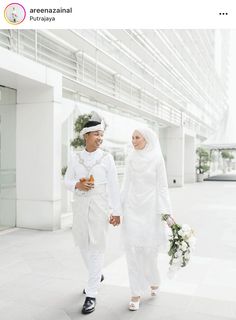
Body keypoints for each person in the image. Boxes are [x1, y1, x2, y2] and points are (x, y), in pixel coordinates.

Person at [64, 112, 121, 315]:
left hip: (99, 206)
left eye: (101, 135)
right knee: (82, 245)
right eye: (96, 134)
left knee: (97, 247)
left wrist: (117, 211)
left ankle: (92, 293)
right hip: (79, 206)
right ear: (86, 136)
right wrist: (77, 184)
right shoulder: (75, 157)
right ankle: (97, 276)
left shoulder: (107, 158)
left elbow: (114, 186)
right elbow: (67, 181)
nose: (99, 138)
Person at [121, 127, 173, 311]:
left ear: (146, 139)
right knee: (133, 252)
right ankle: (135, 294)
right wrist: (118, 210)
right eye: (132, 137)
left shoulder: (157, 159)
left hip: (151, 211)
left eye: (137, 137)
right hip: (132, 209)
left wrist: (166, 213)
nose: (133, 141)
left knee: (149, 253)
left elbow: (163, 187)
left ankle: (153, 279)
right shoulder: (130, 158)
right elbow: (125, 184)